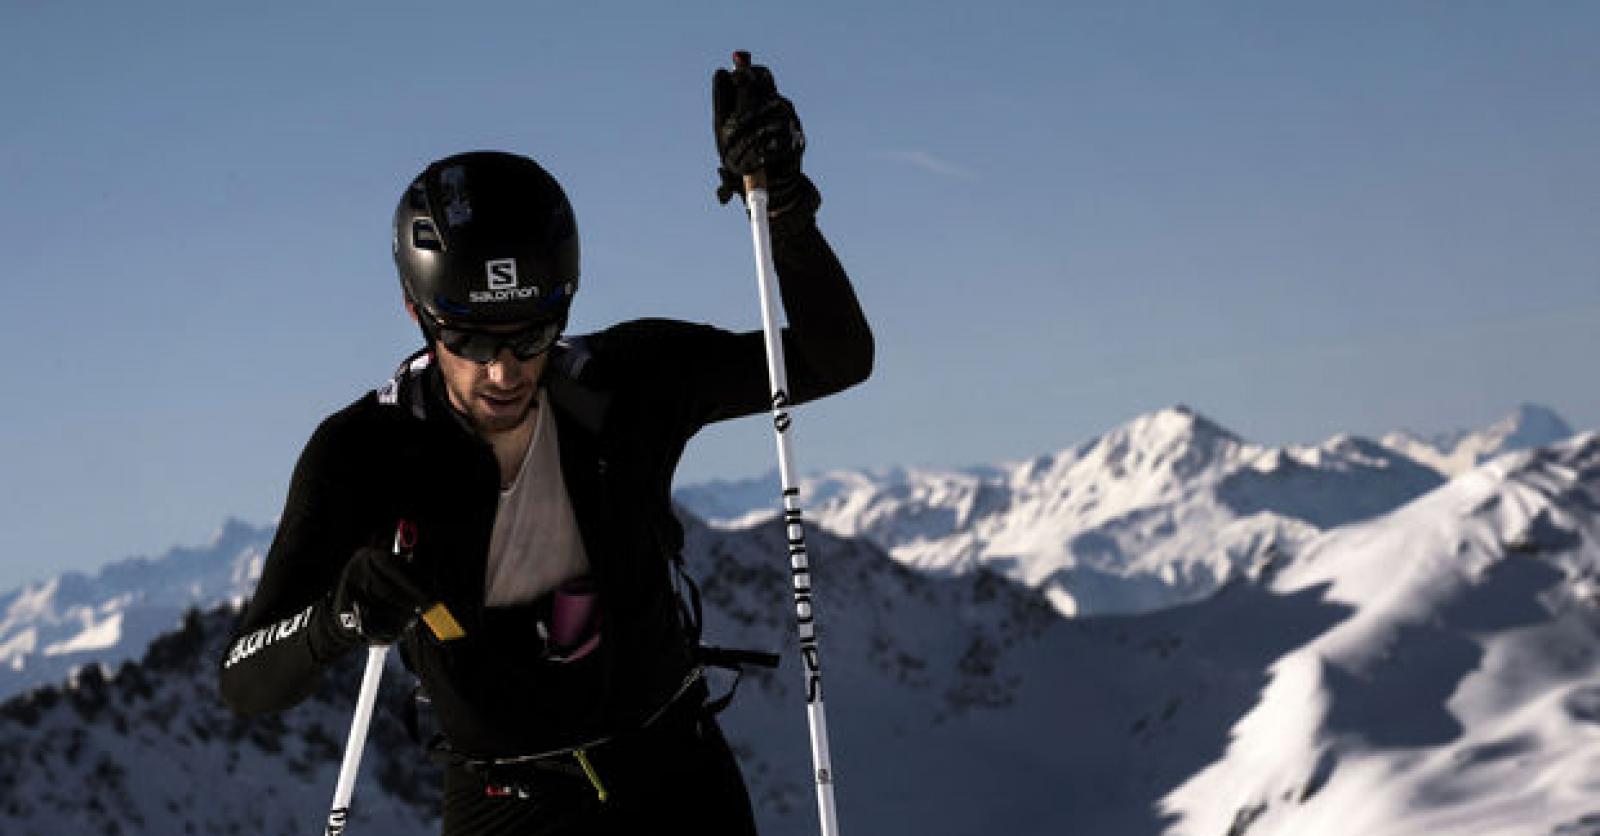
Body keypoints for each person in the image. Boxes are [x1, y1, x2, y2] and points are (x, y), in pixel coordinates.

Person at [217, 61, 872, 835]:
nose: (503, 370)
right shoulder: (367, 449)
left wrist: (787, 208)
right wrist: (338, 619)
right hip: (504, 804)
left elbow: (834, 358)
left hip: (676, 772)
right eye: (466, 336)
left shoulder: (629, 382)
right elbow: (245, 681)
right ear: (415, 312)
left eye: (531, 334)